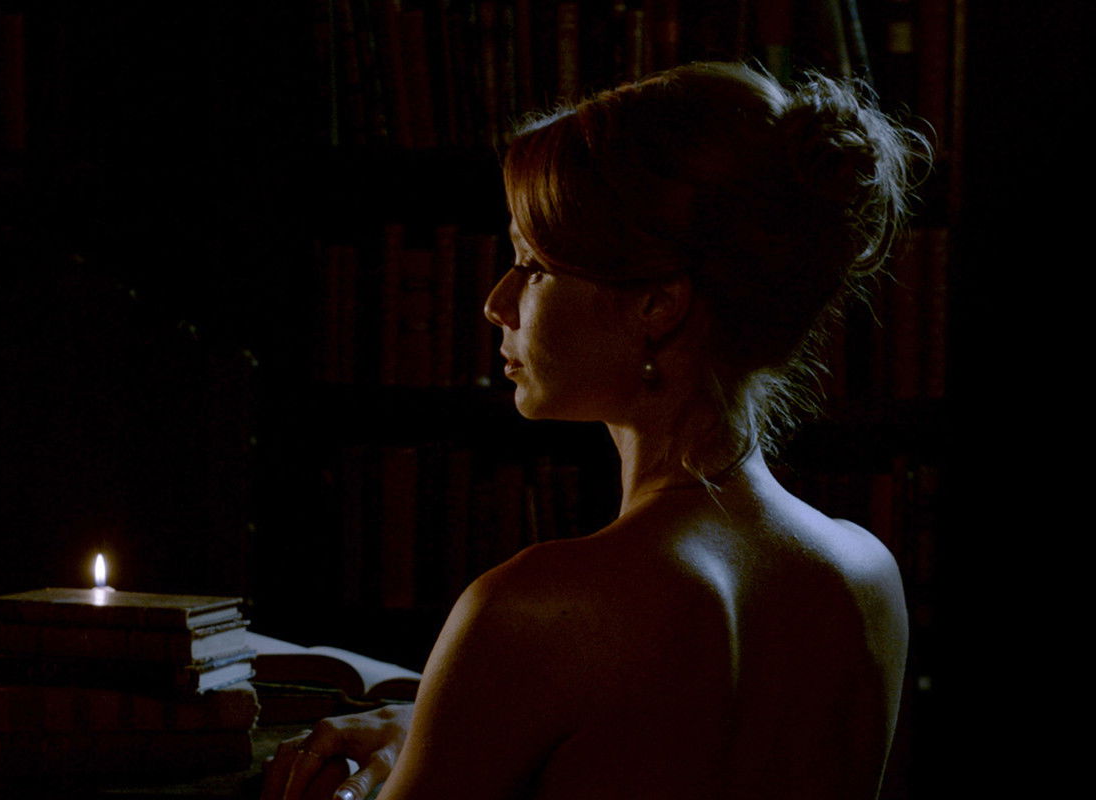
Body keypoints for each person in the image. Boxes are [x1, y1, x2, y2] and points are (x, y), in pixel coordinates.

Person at [260, 62, 926, 800]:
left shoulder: (540, 608)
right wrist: (432, 736)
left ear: (658, 306)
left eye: (533, 266)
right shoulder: (867, 577)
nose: (497, 303)